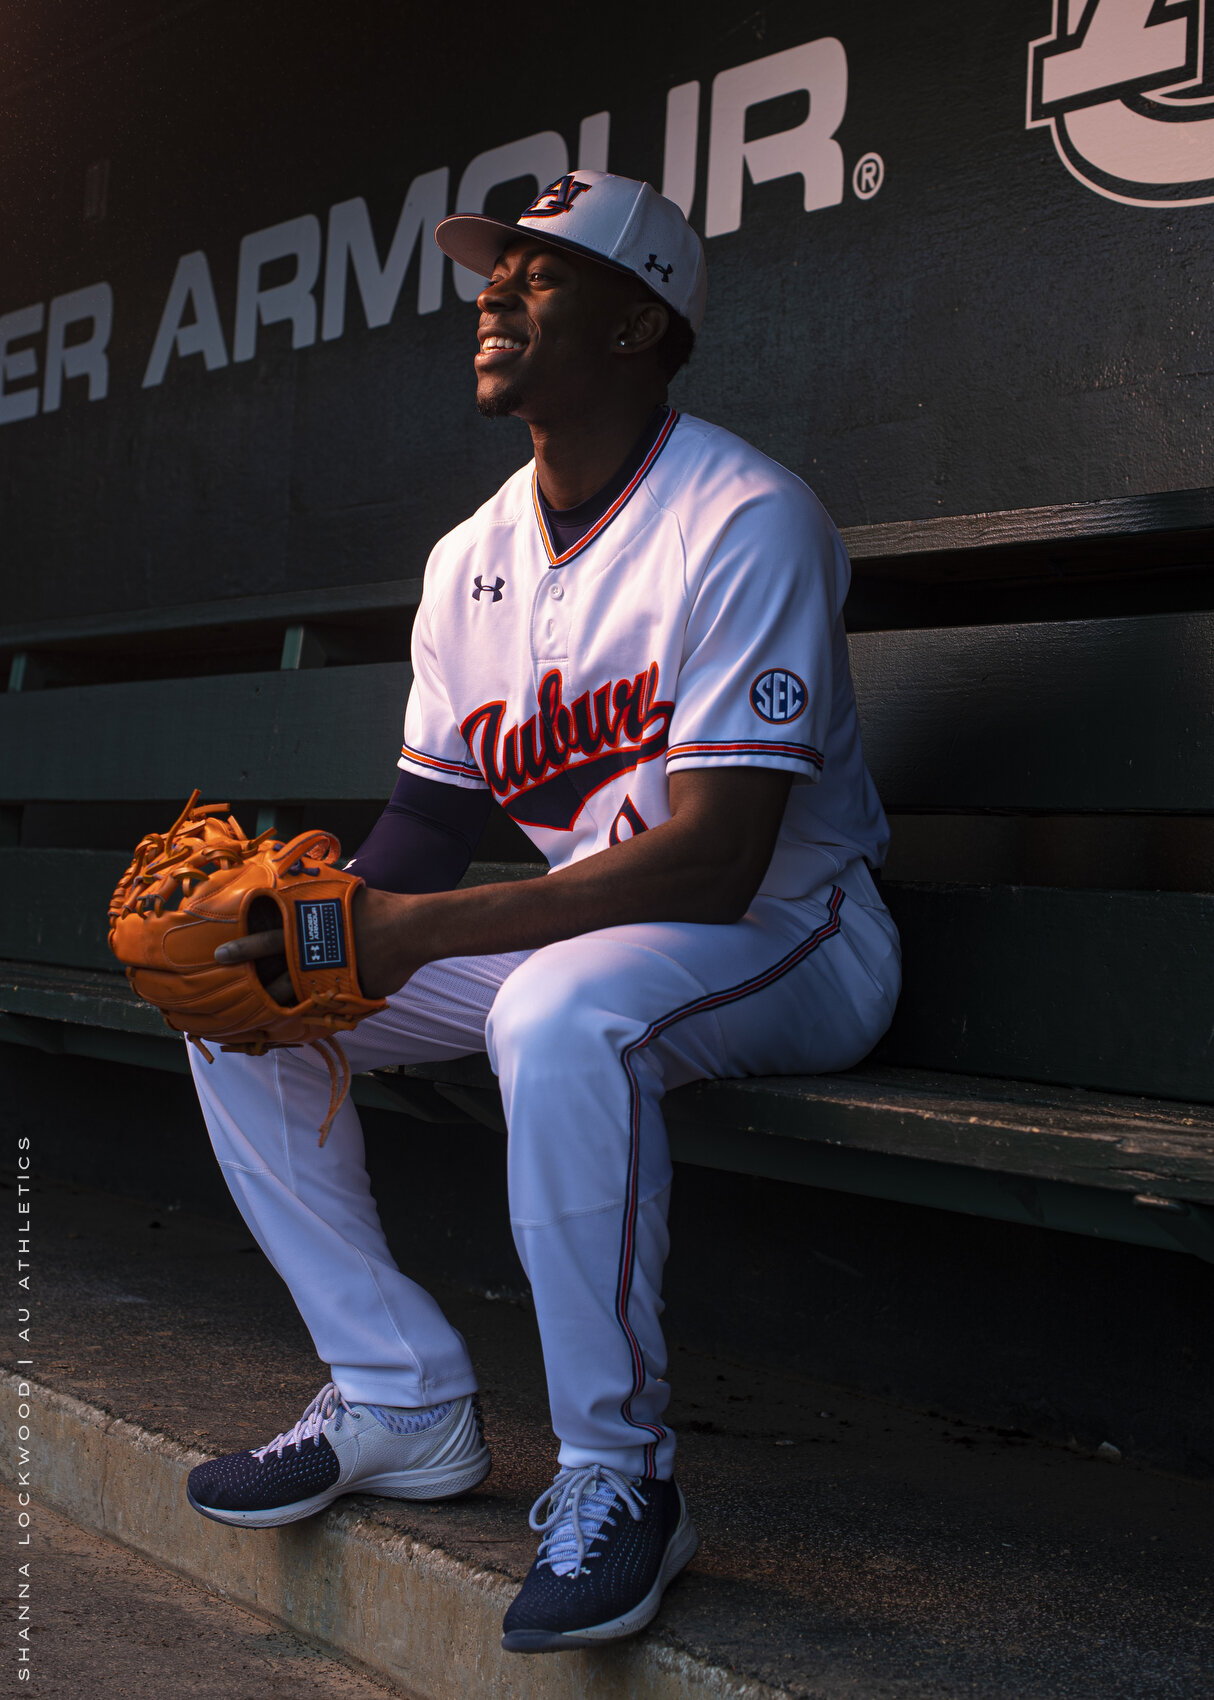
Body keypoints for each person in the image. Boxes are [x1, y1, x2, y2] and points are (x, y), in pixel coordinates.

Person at [183, 171, 900, 1653]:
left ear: (641, 322)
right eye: (490, 273)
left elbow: (715, 863)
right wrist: (313, 930)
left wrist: (410, 934)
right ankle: (398, 1396)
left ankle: (618, 1477)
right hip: (584, 940)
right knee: (246, 1007)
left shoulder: (745, 517)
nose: (493, 297)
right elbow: (431, 829)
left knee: (555, 1010)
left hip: (794, 935)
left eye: (542, 277)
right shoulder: (471, 559)